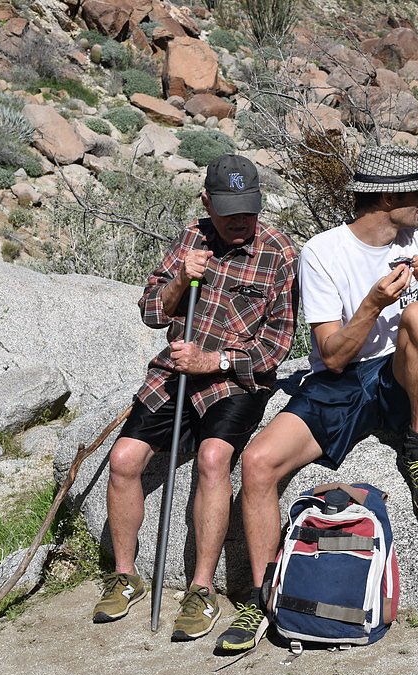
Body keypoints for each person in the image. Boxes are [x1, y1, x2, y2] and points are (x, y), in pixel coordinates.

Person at [213, 145, 418, 653]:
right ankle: (264, 598)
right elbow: (332, 355)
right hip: (342, 380)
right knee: (257, 464)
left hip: (400, 373)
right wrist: (372, 303)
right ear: (388, 196)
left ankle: (416, 443)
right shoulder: (323, 252)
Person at [91, 155, 298, 646]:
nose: (240, 221)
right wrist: (183, 278)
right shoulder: (191, 237)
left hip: (236, 379)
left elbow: (277, 347)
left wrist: (217, 361)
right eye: (228, 211)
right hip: (176, 370)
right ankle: (126, 576)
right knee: (123, 460)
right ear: (207, 202)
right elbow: (151, 313)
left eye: (248, 210)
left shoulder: (281, 253)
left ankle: (200, 589)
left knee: (212, 457)